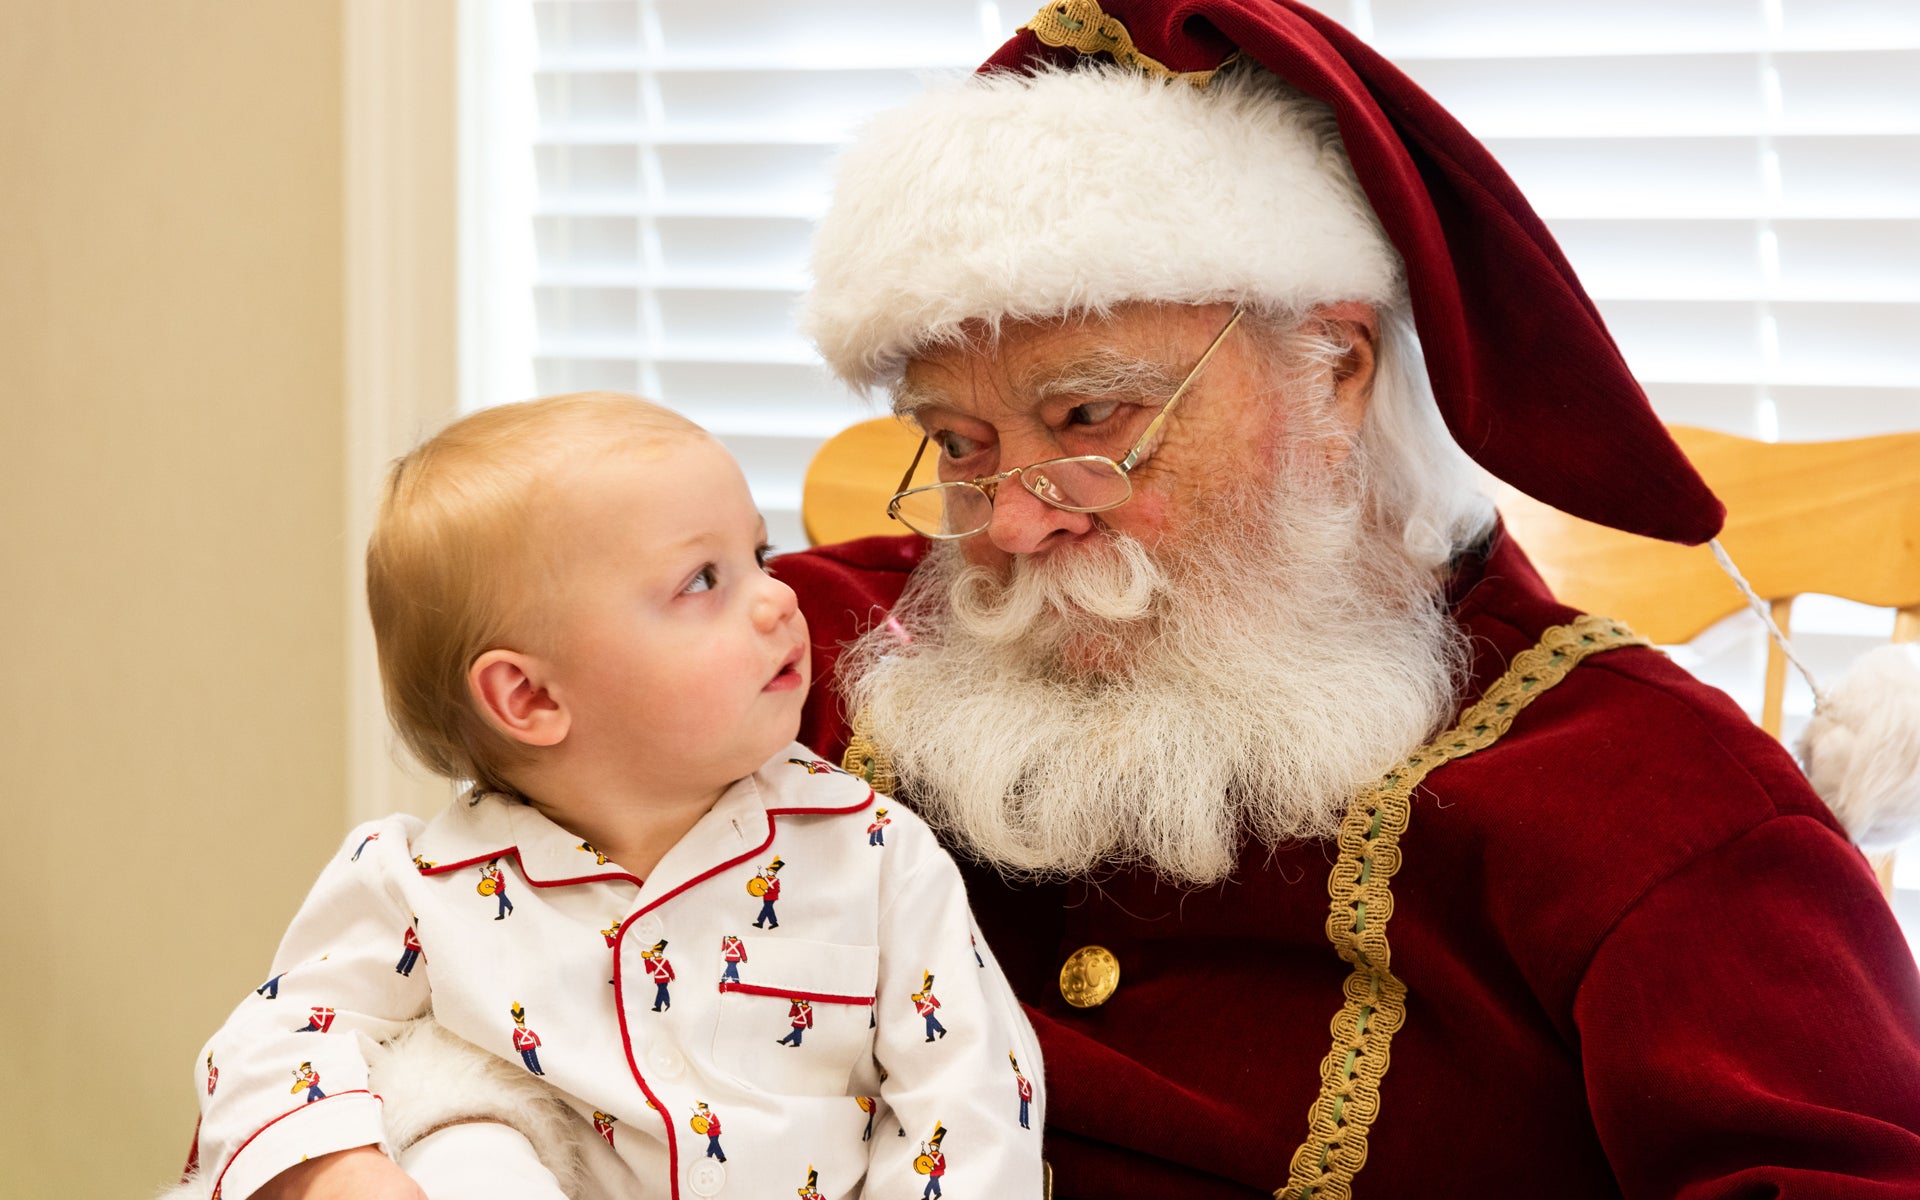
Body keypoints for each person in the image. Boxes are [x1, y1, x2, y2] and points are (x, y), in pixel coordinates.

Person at [772, 1, 1920, 1197]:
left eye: (1090, 418)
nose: (1013, 522)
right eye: (960, 445)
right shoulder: (788, 653)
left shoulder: (1653, 811)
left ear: (1334, 370)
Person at [177, 394, 1045, 1200]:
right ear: (530, 698)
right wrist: (340, 1171)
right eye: (702, 581)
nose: (779, 598)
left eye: (758, 555)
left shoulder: (877, 854)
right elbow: (268, 1047)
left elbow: (971, 1100)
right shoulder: (412, 883)